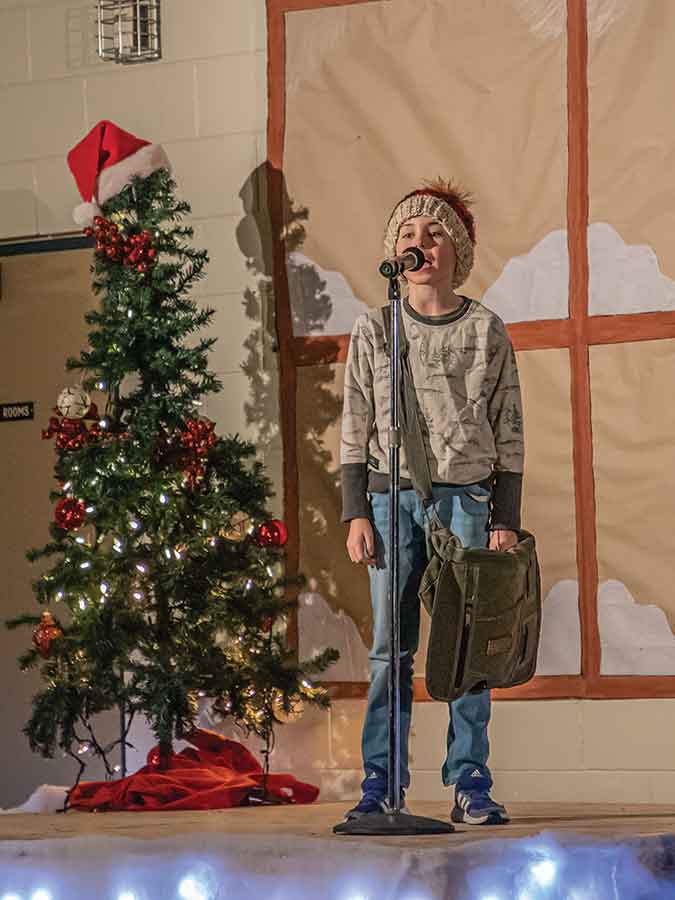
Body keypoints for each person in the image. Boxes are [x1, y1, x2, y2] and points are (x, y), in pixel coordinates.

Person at [340, 179, 524, 825]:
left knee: (467, 647)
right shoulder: (375, 328)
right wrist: (355, 510)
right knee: (390, 649)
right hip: (390, 500)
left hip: (466, 500)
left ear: (457, 252)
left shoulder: (484, 329)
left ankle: (469, 780)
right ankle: (381, 782)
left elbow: (508, 425)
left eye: (435, 232)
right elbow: (355, 420)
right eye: (408, 233)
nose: (419, 242)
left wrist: (505, 517)